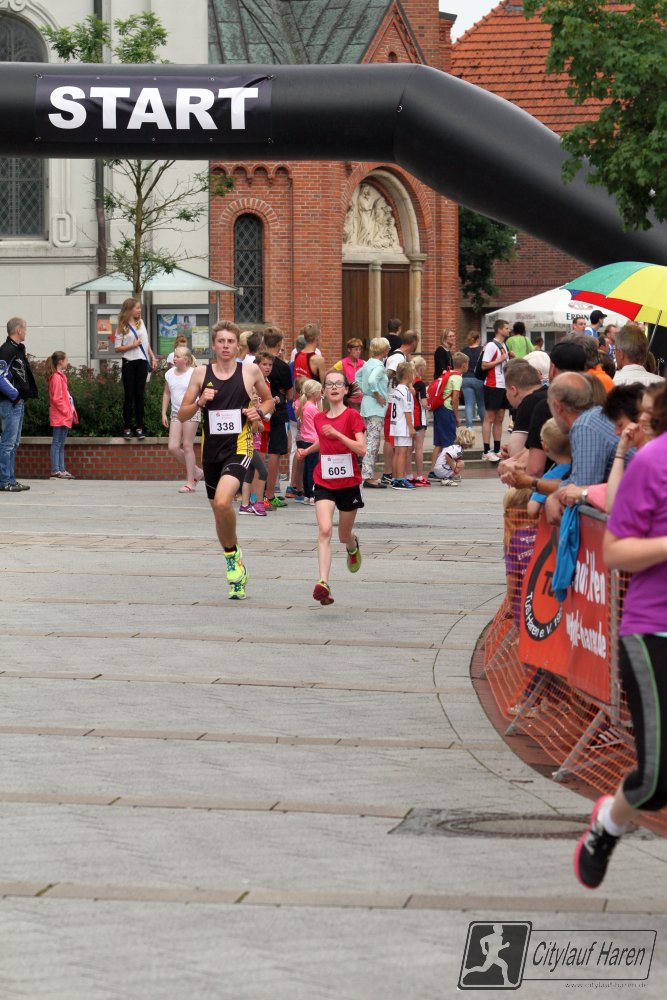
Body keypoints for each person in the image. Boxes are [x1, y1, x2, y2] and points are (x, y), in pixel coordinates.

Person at [574, 385, 667, 890]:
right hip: (654, 630)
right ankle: (608, 823)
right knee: (656, 781)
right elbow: (614, 552)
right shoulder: (653, 462)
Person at [178, 320, 274, 600]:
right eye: (221, 341)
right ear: (213, 345)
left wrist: (259, 412)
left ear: (237, 345)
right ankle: (234, 557)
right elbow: (182, 414)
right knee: (219, 513)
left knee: (223, 502)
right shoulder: (200, 373)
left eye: (230, 341)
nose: (225, 346)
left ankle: (232, 559)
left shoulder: (250, 371)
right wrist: (199, 402)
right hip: (211, 452)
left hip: (239, 448)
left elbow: (269, 401)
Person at [295, 370, 366, 606]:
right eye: (329, 384)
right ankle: (323, 582)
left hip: (348, 483)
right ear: (323, 391)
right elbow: (323, 440)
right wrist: (307, 450)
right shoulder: (319, 418)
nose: (334, 387)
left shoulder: (353, 416)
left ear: (345, 389)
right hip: (324, 481)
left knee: (343, 535)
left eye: (339, 384)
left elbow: (361, 449)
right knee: (325, 530)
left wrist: (337, 434)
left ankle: (352, 545)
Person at [0, 316, 37, 492]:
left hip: (17, 403)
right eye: (25, 329)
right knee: (7, 444)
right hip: (10, 403)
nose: (26, 333)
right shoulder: (7, 350)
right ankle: (4, 481)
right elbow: (0, 377)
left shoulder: (17, 349)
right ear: (19, 330)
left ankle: (11, 480)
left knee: (13, 444)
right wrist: (15, 395)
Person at [114, 298, 158, 440]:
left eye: (140, 308)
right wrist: (132, 346)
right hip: (128, 362)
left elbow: (145, 343)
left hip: (142, 362)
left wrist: (153, 357)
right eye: (137, 308)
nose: (140, 310)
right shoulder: (122, 326)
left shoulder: (141, 323)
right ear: (129, 309)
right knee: (129, 395)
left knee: (140, 395)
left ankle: (139, 427)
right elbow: (117, 348)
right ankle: (127, 427)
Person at [161, 345, 203, 493]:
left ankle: (190, 482)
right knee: (172, 446)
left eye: (177, 356)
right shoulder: (169, 374)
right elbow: (166, 393)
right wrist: (163, 413)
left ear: (185, 360)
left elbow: (201, 391)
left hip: (191, 411)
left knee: (187, 445)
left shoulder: (194, 373)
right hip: (176, 412)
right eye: (174, 356)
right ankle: (196, 471)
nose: (174, 358)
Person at [263, 329, 294, 509]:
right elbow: (290, 394)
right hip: (277, 410)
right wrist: (281, 392)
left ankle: (256, 493)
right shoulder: (282, 366)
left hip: (260, 410)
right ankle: (270, 494)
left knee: (259, 450)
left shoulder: (257, 363)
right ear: (279, 343)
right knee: (275, 452)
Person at [383, 330, 419, 484]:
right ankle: (390, 473)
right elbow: (388, 375)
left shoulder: (402, 357)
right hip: (393, 404)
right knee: (394, 444)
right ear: (413, 342)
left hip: (394, 401)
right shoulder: (397, 357)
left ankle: (395, 475)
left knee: (397, 448)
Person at [358, 336, 390, 488]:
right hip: (375, 406)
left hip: (366, 404)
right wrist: (377, 395)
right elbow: (372, 381)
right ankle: (367, 476)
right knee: (373, 442)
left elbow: (358, 376)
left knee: (370, 440)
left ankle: (367, 474)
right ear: (383, 350)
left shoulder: (367, 363)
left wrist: (365, 390)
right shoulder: (379, 366)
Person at [429, 351, 467, 477]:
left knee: (439, 443)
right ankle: (448, 470)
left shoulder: (448, 374)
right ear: (464, 365)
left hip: (439, 409)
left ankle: (432, 470)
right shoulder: (457, 377)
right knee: (449, 442)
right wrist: (457, 416)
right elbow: (455, 398)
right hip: (447, 410)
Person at [45, 350, 78, 480]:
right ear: (60, 362)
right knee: (57, 443)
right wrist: (67, 411)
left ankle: (61, 469)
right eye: (66, 360)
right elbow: (57, 399)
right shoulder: (56, 378)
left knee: (61, 443)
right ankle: (55, 470)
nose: (67, 362)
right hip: (60, 416)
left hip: (63, 416)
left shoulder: (60, 377)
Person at [481, 319, 510, 462]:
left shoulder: (503, 345)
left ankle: (497, 449)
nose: (509, 330)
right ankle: (486, 451)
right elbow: (484, 365)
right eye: (506, 328)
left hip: (503, 385)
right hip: (493, 384)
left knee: (500, 418)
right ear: (499, 329)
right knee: (490, 418)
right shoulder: (491, 345)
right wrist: (501, 360)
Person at [389, 361, 416, 490]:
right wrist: (411, 428)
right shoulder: (405, 392)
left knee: (397, 453)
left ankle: (395, 478)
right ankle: (400, 479)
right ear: (408, 375)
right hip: (403, 425)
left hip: (396, 424)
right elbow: (407, 411)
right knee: (402, 453)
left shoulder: (396, 390)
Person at [296, 379, 322, 503]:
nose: (321, 394)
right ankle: (312, 494)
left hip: (305, 439)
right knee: (312, 469)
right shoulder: (313, 408)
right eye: (319, 391)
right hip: (313, 440)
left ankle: (307, 494)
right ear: (314, 393)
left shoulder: (305, 405)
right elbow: (320, 421)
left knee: (307, 468)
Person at [409, 355, 429, 486]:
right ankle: (420, 475)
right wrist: (430, 404)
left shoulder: (409, 383)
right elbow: (424, 403)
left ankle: (408, 474)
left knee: (409, 449)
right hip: (419, 418)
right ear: (420, 368)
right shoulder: (420, 384)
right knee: (419, 448)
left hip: (409, 417)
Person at [461, 331, 485, 430]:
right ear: (478, 339)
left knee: (469, 403)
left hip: (466, 378)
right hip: (478, 379)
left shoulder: (463, 350)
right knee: (481, 404)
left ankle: (469, 426)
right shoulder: (482, 350)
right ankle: (485, 424)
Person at [334, 339, 365, 410]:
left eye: (359, 349)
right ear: (349, 350)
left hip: (362, 399)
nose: (358, 352)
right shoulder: (342, 363)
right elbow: (330, 374)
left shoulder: (363, 363)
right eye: (356, 349)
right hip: (349, 400)